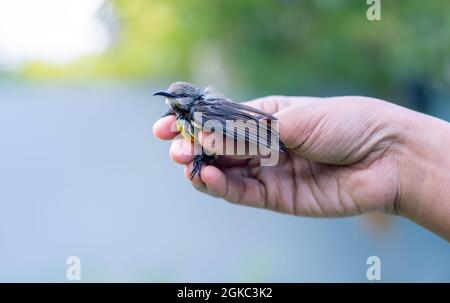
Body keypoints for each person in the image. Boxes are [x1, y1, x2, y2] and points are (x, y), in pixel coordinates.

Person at [153, 95, 450, 241]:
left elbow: (245, 125)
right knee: (209, 152)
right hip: (270, 158)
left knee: (216, 144)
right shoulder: (186, 122)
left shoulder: (200, 112)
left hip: (262, 142)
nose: (171, 110)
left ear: (184, 106)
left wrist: (270, 135)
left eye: (174, 106)